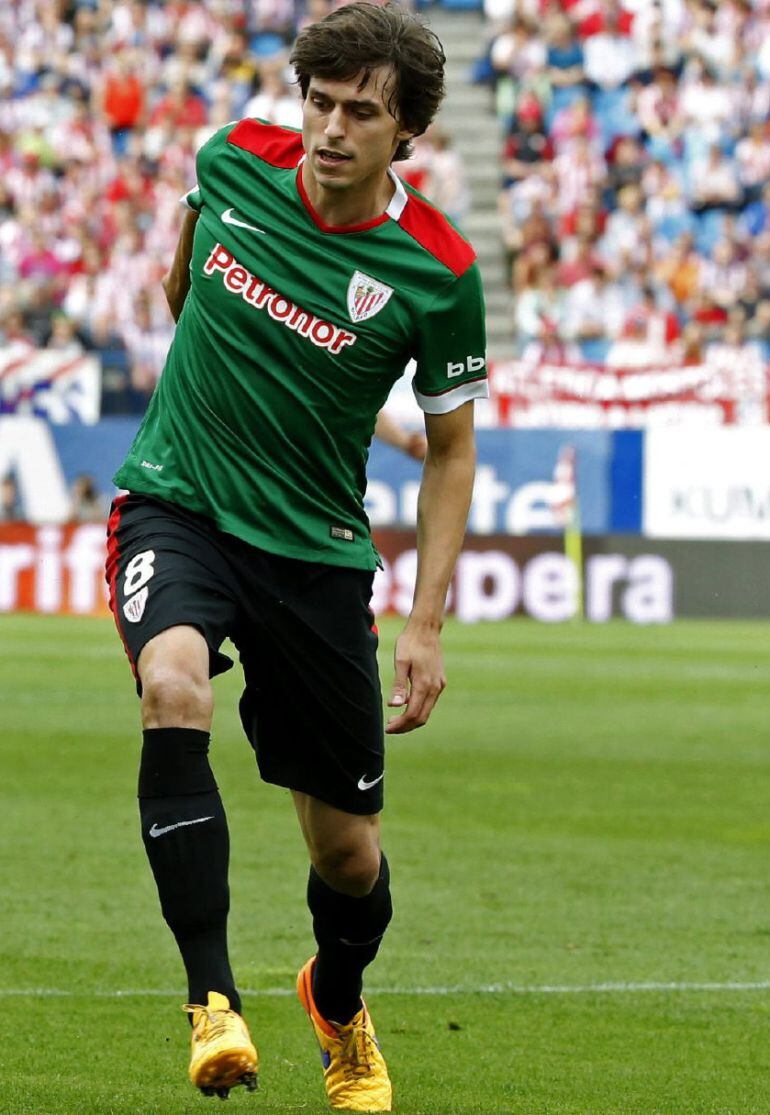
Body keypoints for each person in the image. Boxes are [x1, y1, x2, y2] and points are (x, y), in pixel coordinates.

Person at [105, 3, 487, 1110]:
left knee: (348, 856)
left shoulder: (436, 271)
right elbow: (181, 285)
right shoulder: (231, 159)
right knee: (172, 685)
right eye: (317, 102)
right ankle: (211, 1003)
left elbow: (453, 453)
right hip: (176, 503)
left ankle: (336, 996)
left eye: (358, 113)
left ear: (403, 131)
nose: (328, 129)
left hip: (316, 553)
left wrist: (422, 624)